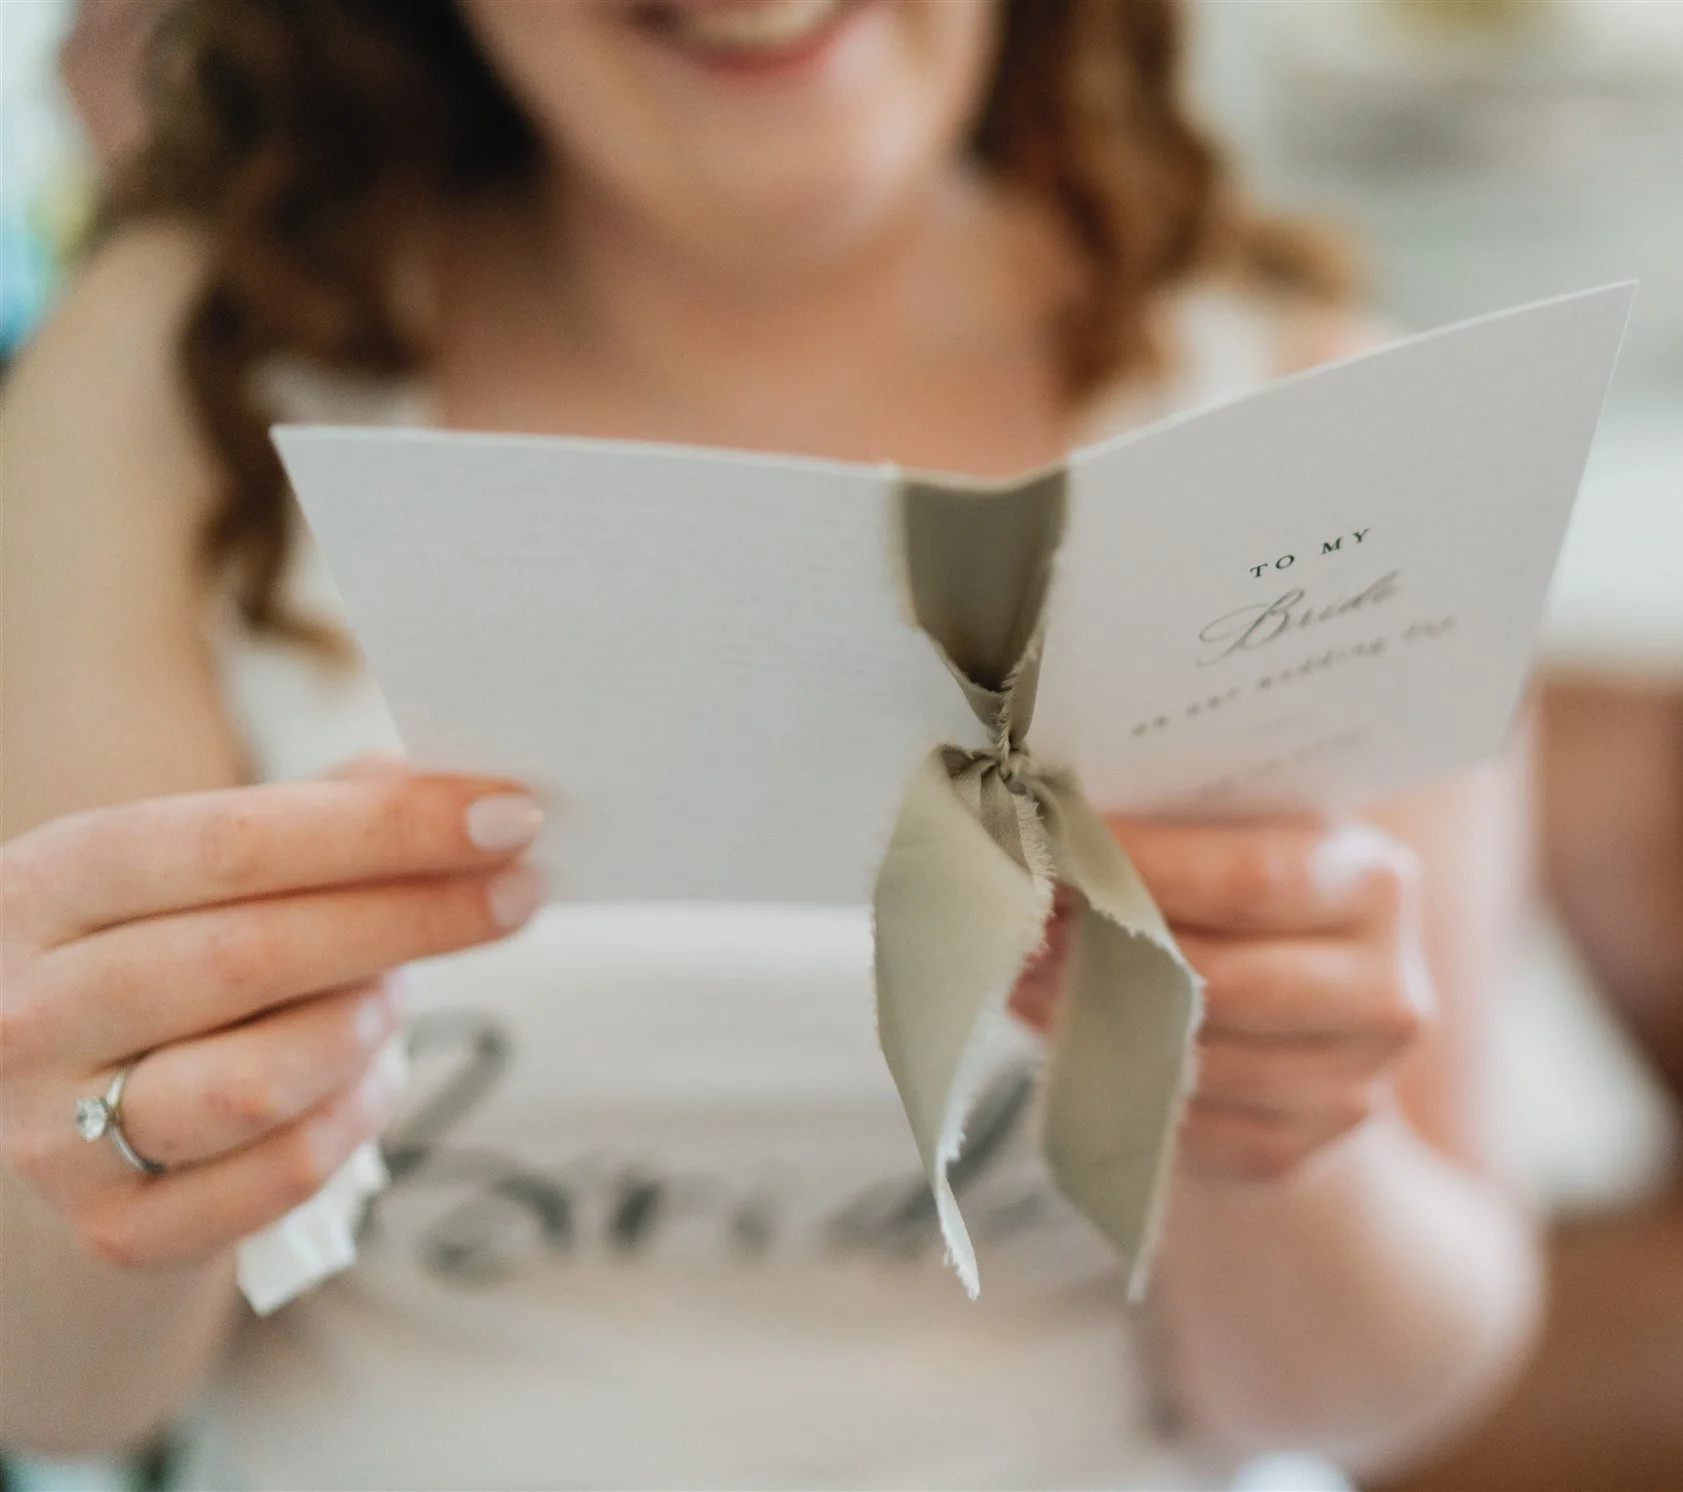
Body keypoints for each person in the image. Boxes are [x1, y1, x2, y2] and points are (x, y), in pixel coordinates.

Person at [0, 2, 1539, 1486]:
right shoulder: (168, 389)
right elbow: (57, 1394)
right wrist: (115, 1144)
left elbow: (1372, 1392)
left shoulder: (1305, 417)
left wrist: (1263, 1131)